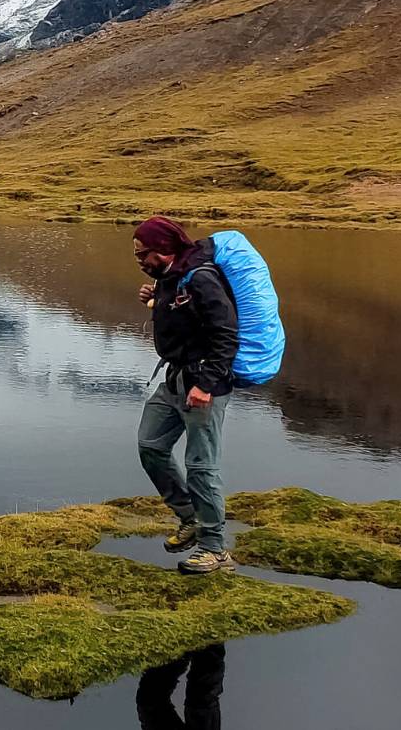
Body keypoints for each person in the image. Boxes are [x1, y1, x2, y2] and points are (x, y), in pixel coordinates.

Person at [133, 216, 240, 574]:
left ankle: (215, 548)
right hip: (175, 380)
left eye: (142, 254)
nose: (139, 261)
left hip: (203, 383)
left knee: (201, 466)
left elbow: (226, 336)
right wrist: (155, 296)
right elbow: (182, 314)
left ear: (163, 249)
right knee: (151, 445)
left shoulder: (202, 277)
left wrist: (206, 386)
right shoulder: (172, 277)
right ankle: (190, 516)